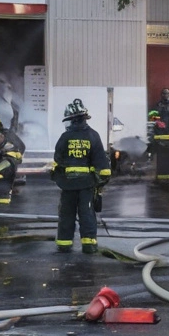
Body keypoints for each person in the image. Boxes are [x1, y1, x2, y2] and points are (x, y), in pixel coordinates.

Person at [50, 99, 111, 254]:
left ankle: (64, 243)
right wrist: (99, 184)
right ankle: (89, 244)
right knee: (87, 214)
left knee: (66, 214)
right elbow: (103, 167)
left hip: (67, 185)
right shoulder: (93, 136)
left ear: (75, 120)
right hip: (87, 185)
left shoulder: (65, 138)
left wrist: (59, 179)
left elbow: (57, 161)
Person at [150, 88, 169, 182]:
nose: (165, 95)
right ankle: (160, 174)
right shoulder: (158, 105)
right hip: (160, 133)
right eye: (163, 94)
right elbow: (152, 115)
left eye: (167, 94)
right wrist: (158, 121)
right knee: (160, 156)